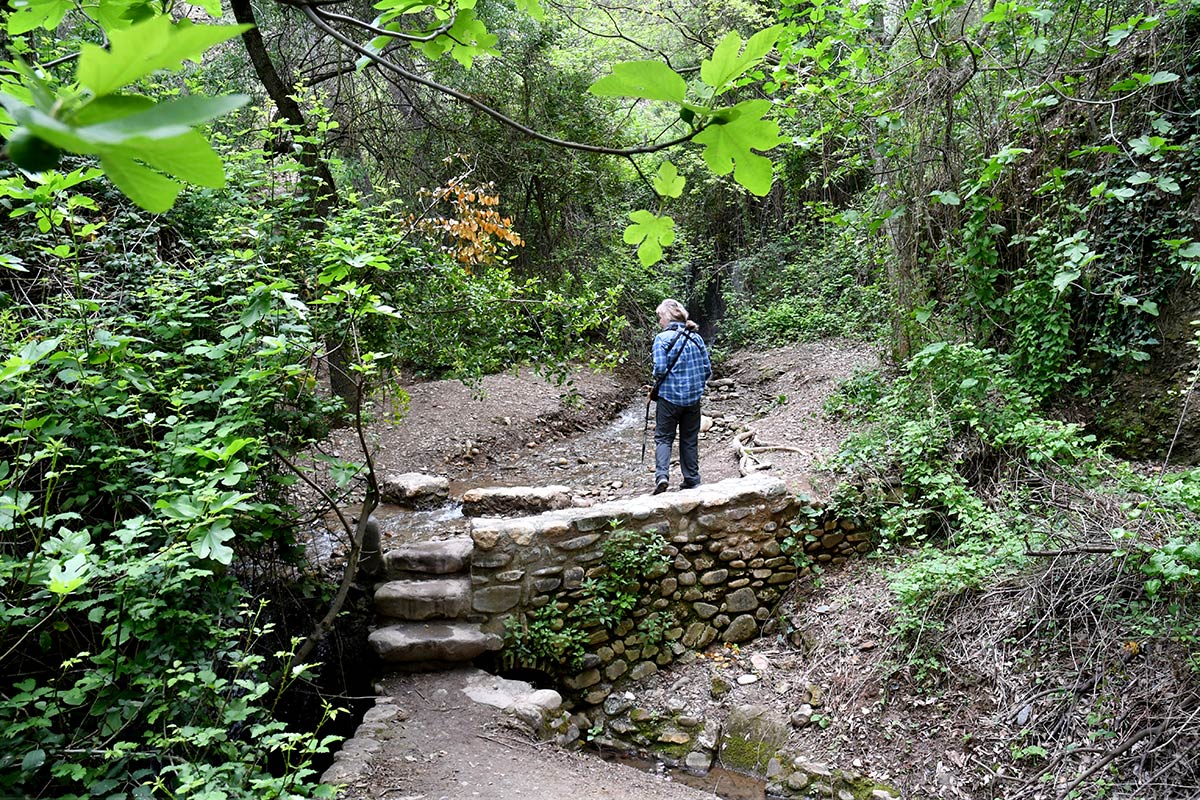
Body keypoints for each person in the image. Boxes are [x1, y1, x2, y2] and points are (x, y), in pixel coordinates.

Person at [650, 298, 712, 494]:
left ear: (667, 317)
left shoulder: (662, 339)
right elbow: (707, 369)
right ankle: (692, 479)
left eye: (660, 317)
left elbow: (660, 369)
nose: (659, 321)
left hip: (669, 398)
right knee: (689, 439)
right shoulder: (696, 338)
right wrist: (696, 387)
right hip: (693, 400)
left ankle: (662, 477)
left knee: (663, 438)